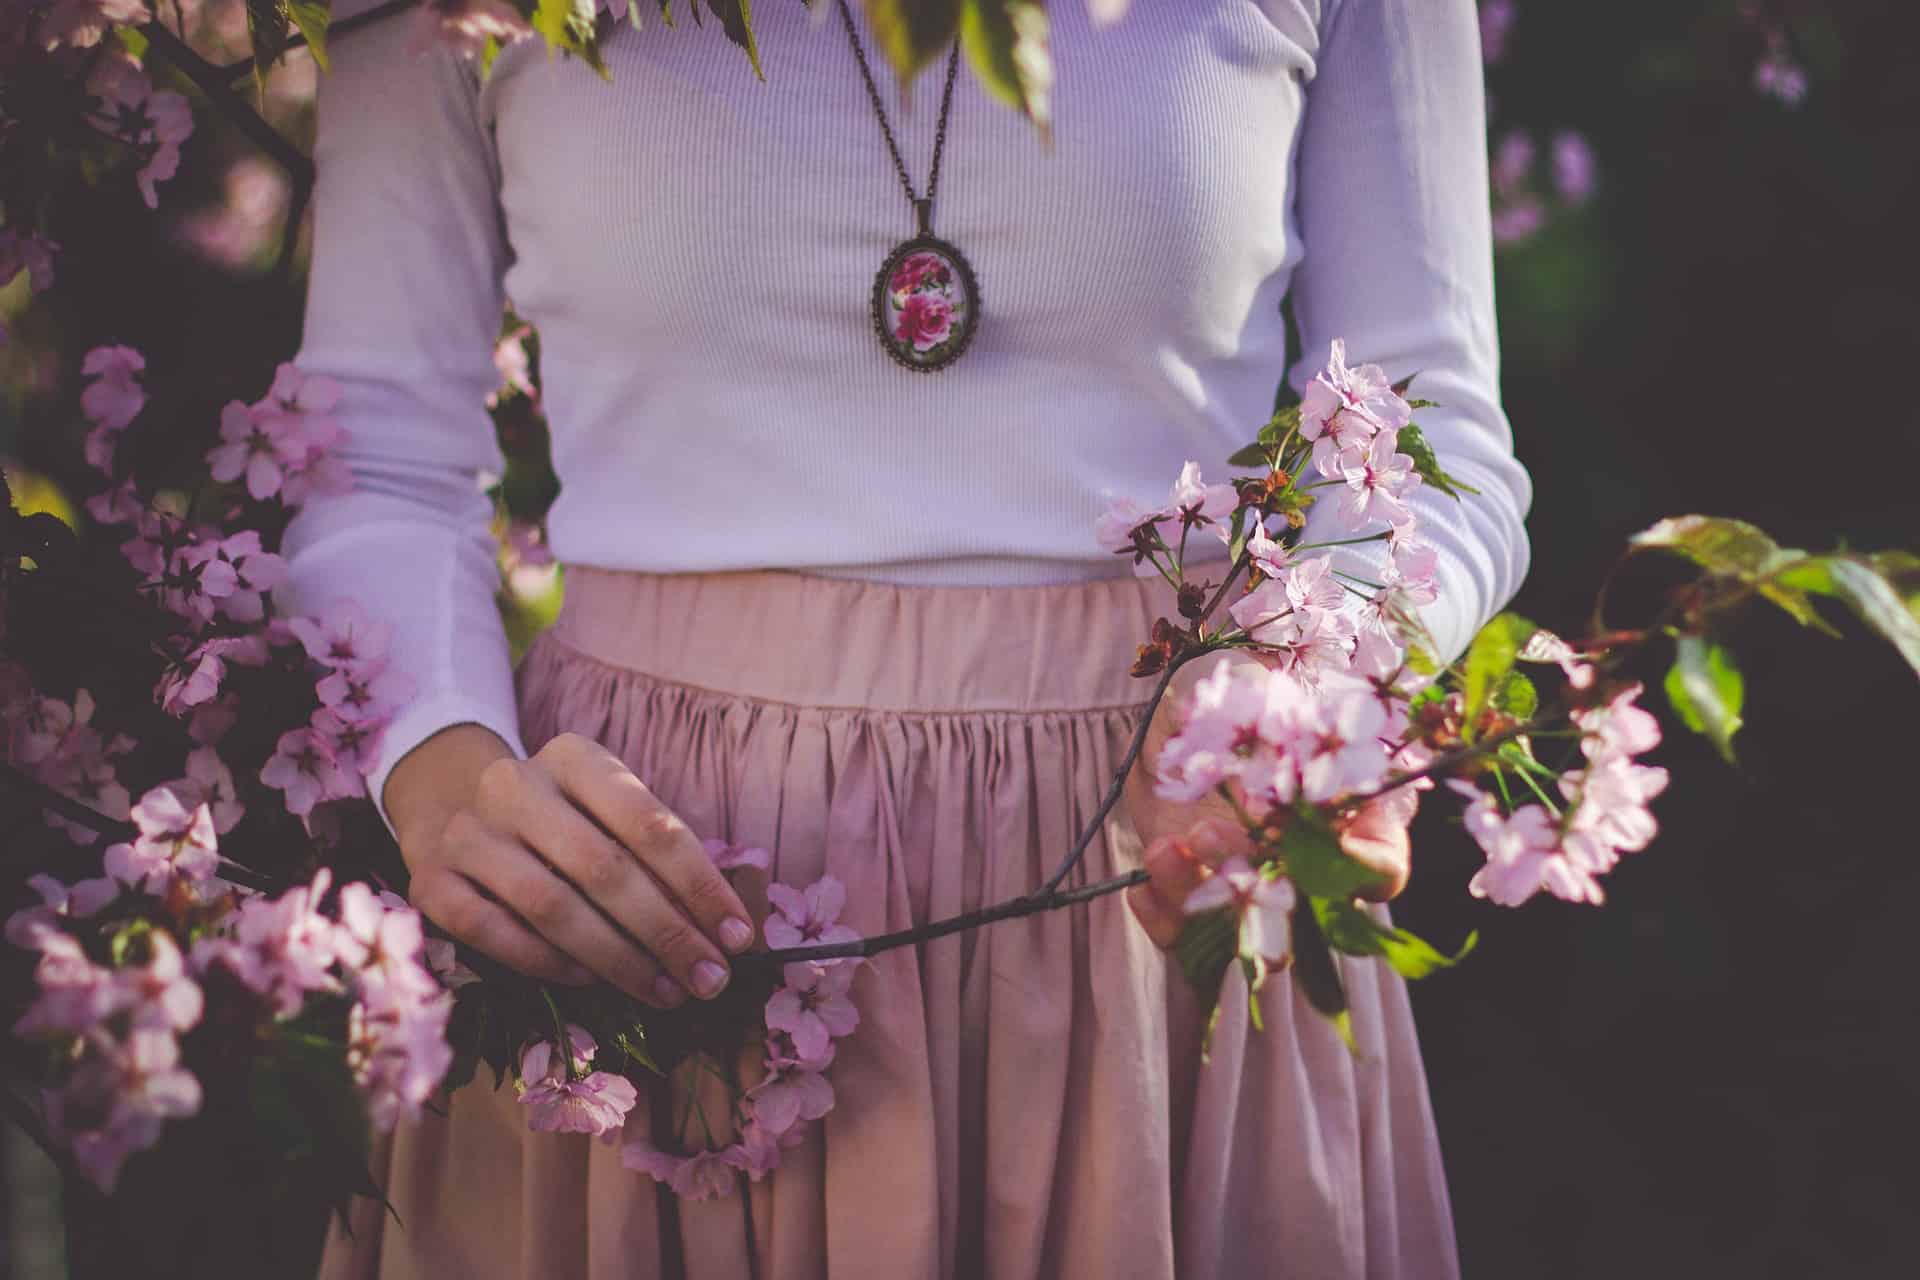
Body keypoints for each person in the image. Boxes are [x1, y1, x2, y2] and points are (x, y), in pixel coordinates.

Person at [284, 0, 1532, 1275]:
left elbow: (1433, 429)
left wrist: (1312, 678)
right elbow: (372, 448)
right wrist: (442, 774)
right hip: (645, 900)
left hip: (1164, 850)